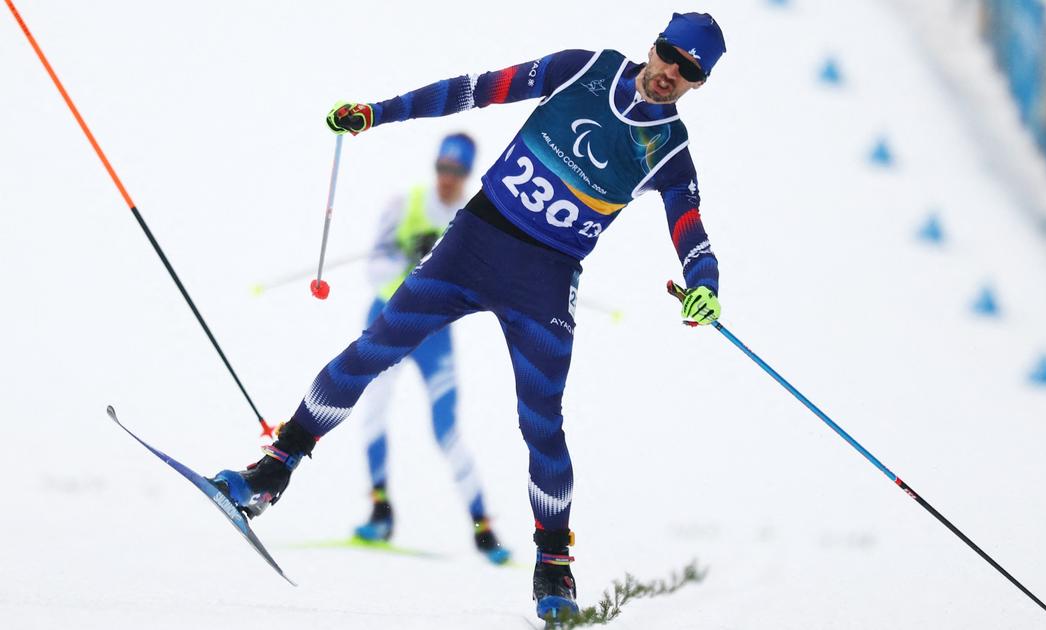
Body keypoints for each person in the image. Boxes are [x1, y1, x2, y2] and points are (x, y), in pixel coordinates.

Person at [211, 12, 726, 624]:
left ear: (698, 82)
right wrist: (378, 112)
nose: (671, 72)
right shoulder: (584, 68)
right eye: (670, 53)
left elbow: (689, 226)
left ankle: (554, 565)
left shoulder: (670, 149)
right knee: (375, 348)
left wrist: (704, 284)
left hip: (547, 278)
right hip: (474, 243)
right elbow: (476, 89)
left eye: (689, 70)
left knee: (541, 424)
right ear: (655, 44)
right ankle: (272, 471)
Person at [352, 133, 511, 565]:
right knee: (373, 413)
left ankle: (484, 529)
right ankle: (380, 513)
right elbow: (375, 267)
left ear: (467, 174)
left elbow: (478, 285)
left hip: (433, 333)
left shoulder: (473, 219)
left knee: (446, 428)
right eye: (443, 168)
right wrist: (411, 264)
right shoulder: (404, 205)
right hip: (388, 320)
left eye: (457, 172)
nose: (447, 179)